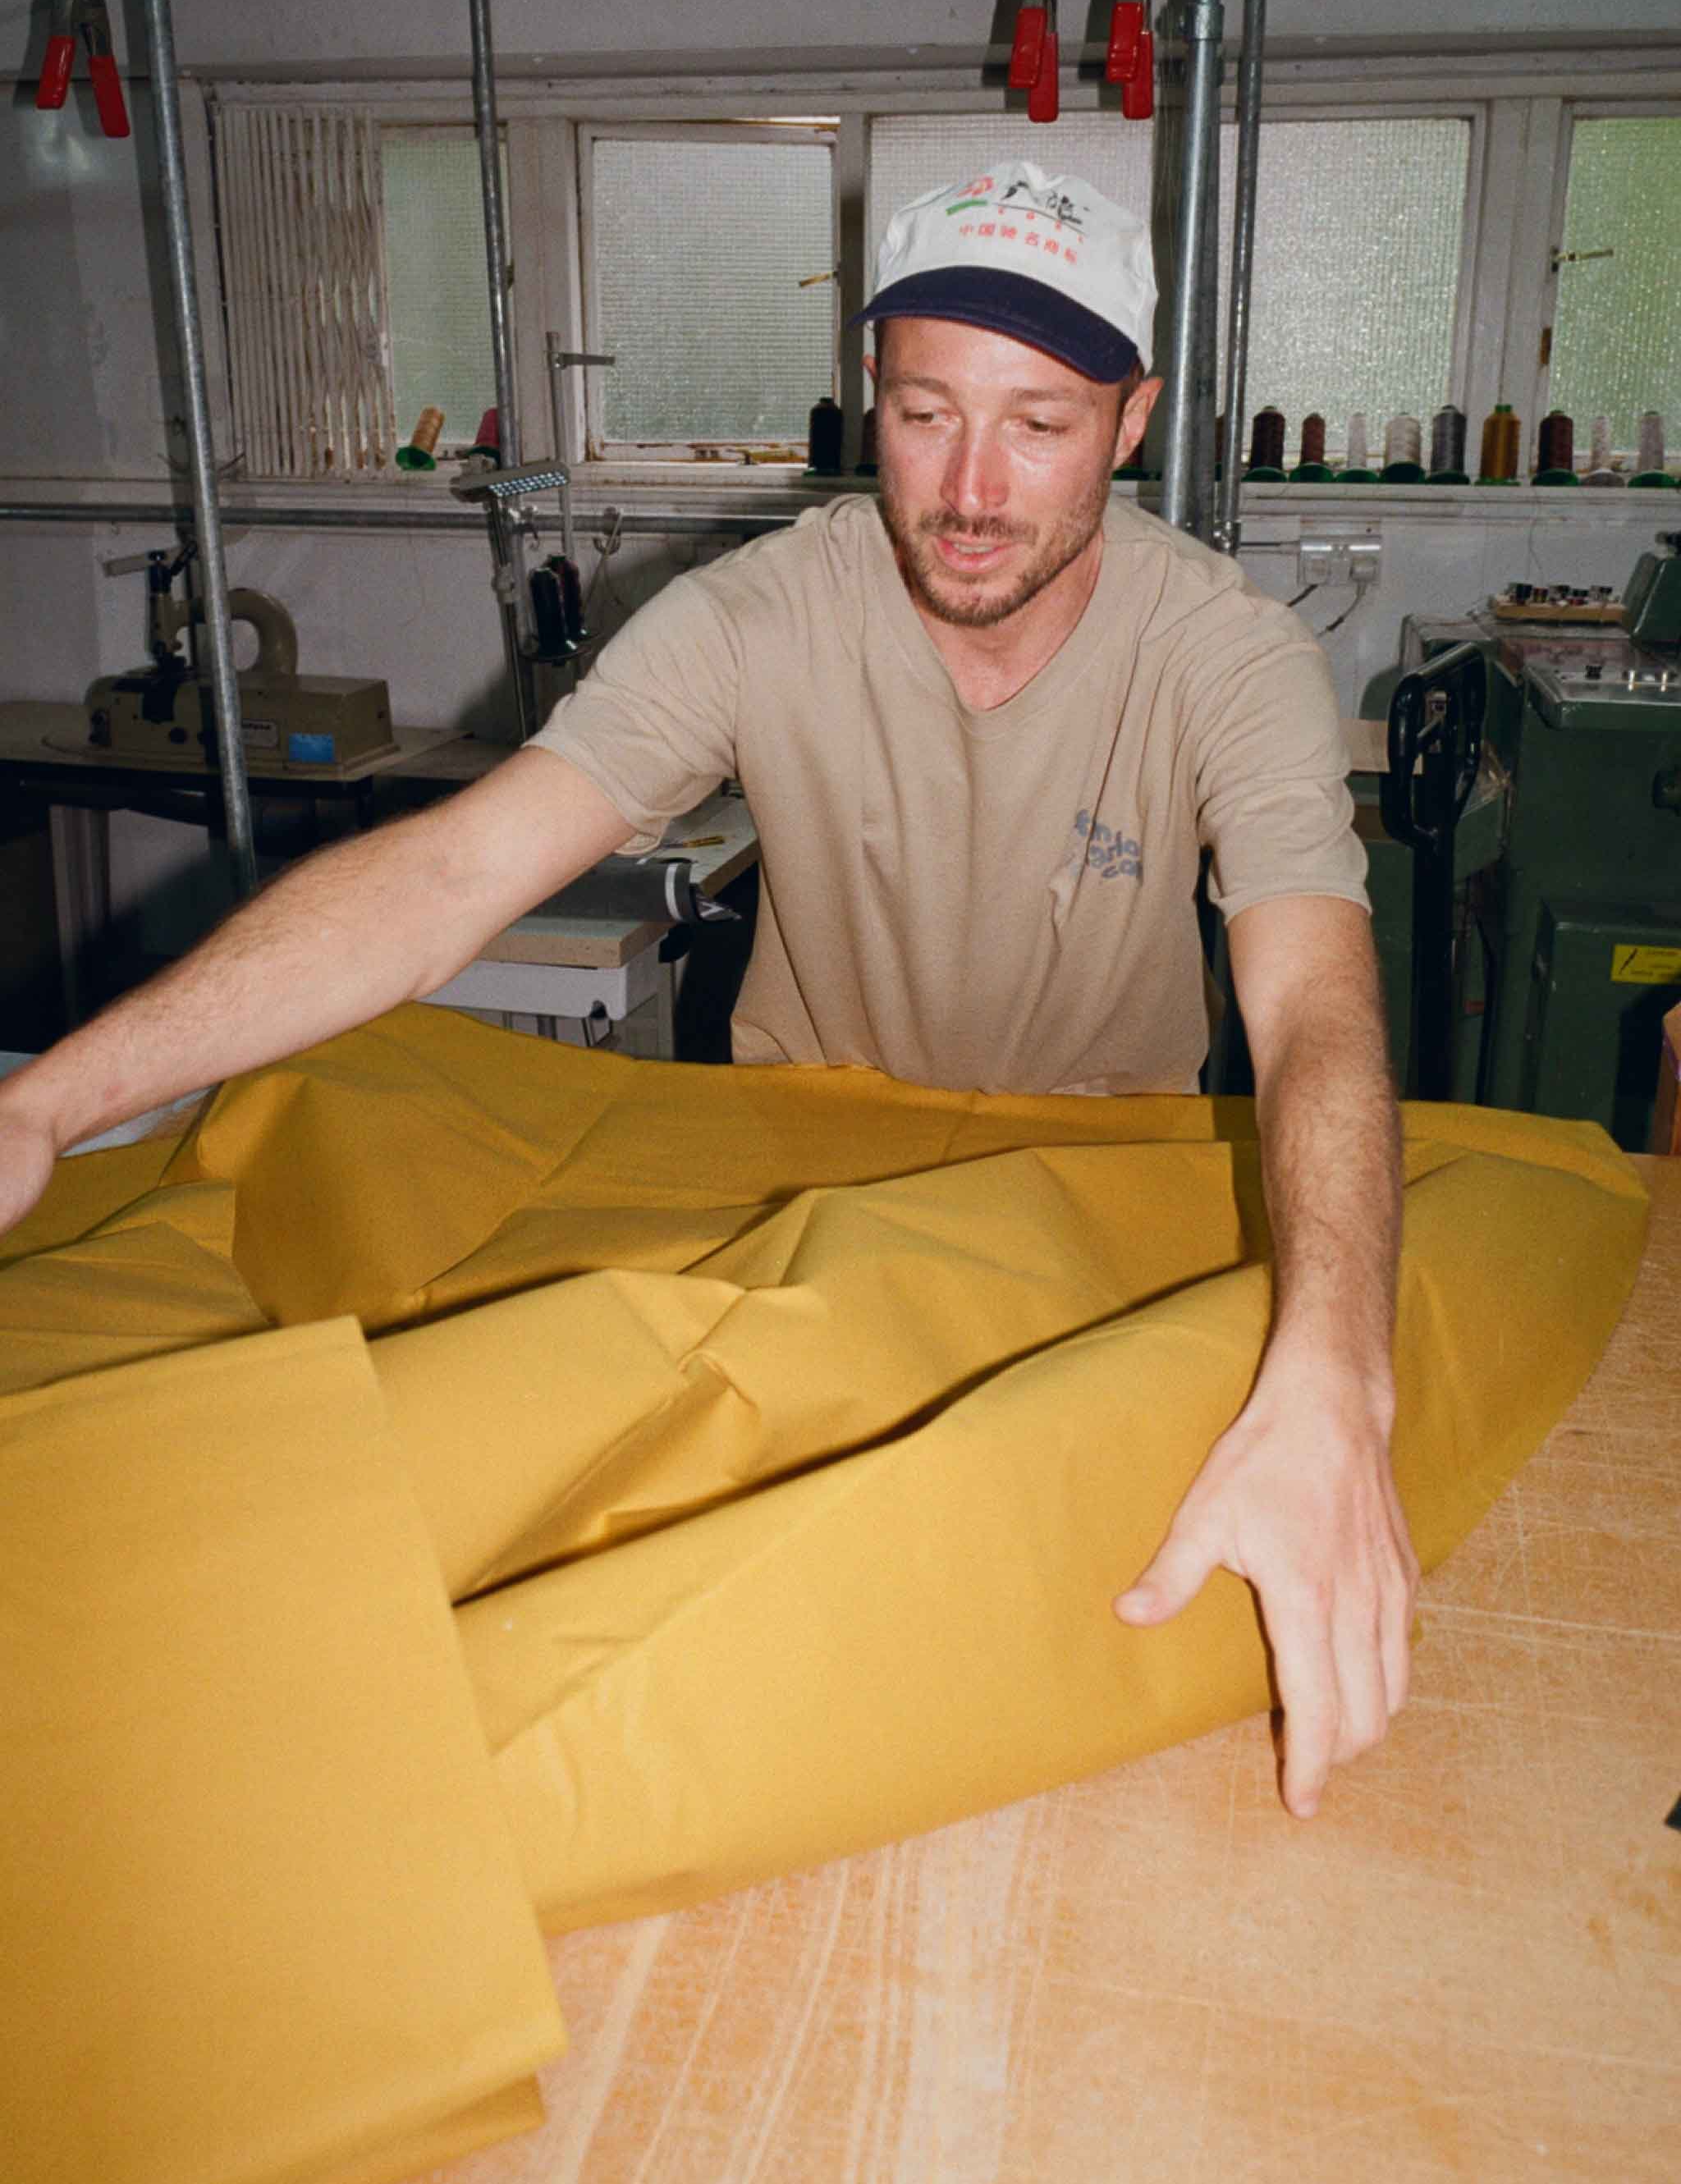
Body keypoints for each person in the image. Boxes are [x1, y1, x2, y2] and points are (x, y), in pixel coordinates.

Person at [0, 159, 1415, 1820]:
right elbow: (454, 875)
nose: (968, 487)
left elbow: (1314, 1001)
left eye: (1037, 424)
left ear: (1130, 418)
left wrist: (1335, 1367)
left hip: (1090, 1188)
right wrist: (48, 1099)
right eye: (922, 412)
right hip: (784, 1175)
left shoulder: (1224, 656)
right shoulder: (752, 618)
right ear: (865, 393)